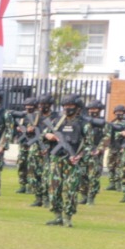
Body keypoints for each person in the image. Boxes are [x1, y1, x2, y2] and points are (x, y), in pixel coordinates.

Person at [42, 95, 87, 226]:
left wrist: (80, 156)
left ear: (78, 108)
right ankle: (57, 216)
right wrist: (48, 135)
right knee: (54, 189)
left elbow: (90, 145)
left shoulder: (83, 124)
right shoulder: (57, 122)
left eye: (70, 106)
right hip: (56, 159)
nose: (67, 109)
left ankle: (67, 217)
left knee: (70, 190)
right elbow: (42, 135)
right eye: (65, 106)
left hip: (72, 162)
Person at [15, 98, 39, 194]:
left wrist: (33, 129)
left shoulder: (38, 116)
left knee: (32, 165)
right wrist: (19, 128)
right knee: (21, 163)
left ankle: (31, 185)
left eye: (30, 107)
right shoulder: (22, 116)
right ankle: (23, 184)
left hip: (33, 143)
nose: (28, 109)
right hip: (23, 142)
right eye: (26, 107)